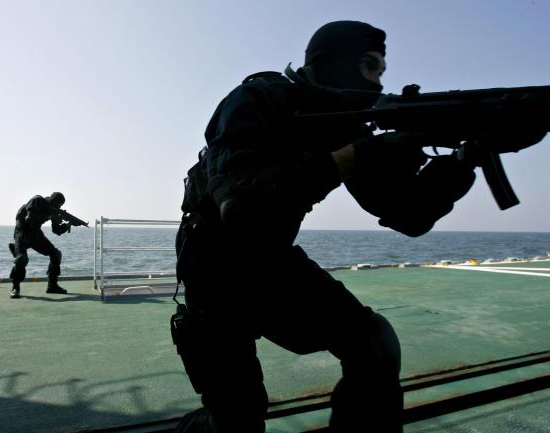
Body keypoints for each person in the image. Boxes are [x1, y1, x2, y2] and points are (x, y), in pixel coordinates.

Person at [172, 21, 479, 432]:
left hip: (271, 258)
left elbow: (408, 214)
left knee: (373, 344)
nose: (377, 81)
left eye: (381, 71)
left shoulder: (342, 125)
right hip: (214, 266)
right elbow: (241, 207)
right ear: (327, 65)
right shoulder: (256, 99)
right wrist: (356, 154)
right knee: (237, 418)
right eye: (369, 67)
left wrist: (461, 164)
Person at [9, 192, 71, 299]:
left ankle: (52, 286)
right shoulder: (37, 200)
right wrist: (50, 214)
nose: (58, 207)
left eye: (60, 206)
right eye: (57, 205)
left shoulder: (53, 211)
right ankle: (15, 288)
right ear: (51, 201)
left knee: (55, 254)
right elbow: (29, 219)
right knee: (22, 259)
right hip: (22, 232)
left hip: (35, 234)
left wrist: (66, 225)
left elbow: (56, 231)